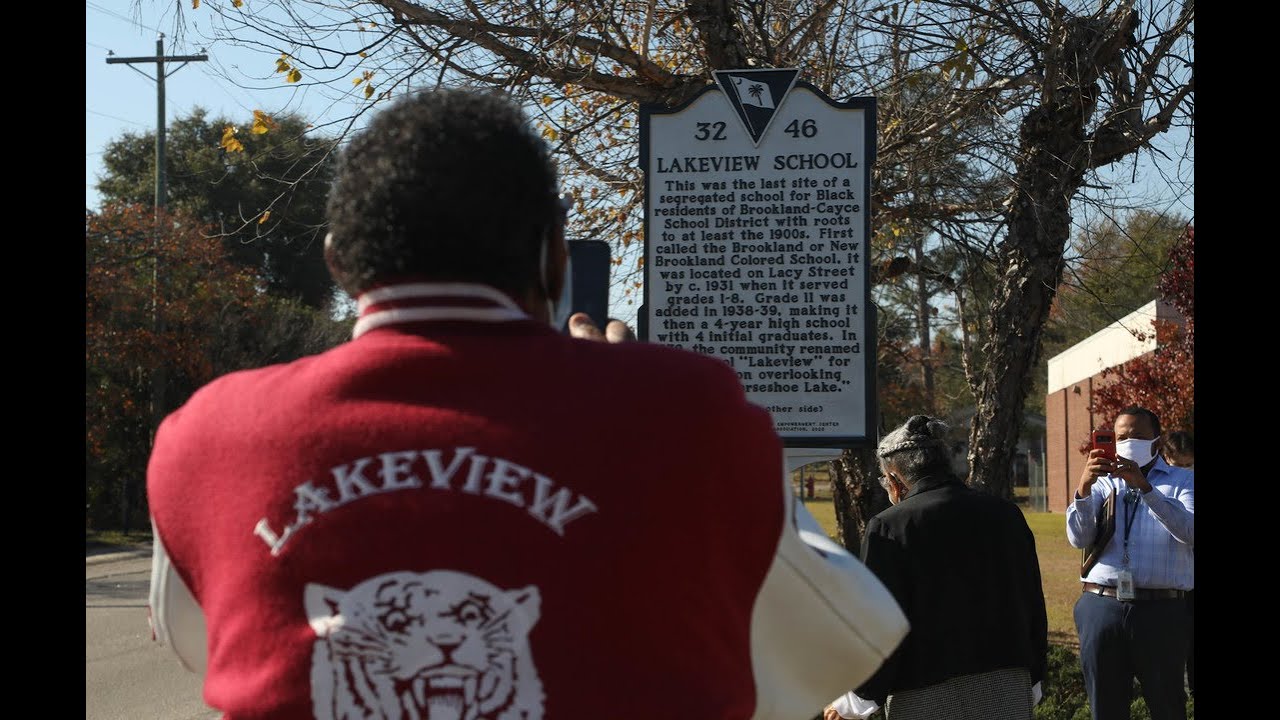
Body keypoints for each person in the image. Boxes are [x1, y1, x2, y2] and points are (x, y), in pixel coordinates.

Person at [145, 88, 908, 719]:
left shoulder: (202, 436)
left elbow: (210, 645)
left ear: (338, 262)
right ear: (553, 256)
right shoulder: (686, 409)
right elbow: (843, 638)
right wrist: (658, 406)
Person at [824, 415, 1048, 720]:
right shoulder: (1006, 515)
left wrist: (855, 702)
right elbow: (1032, 601)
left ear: (894, 479)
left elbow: (882, 623)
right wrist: (1032, 679)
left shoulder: (890, 527)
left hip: (924, 693)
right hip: (1007, 682)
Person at [1066, 407, 1194, 720]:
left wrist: (1146, 489)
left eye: (1137, 436)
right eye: (1121, 437)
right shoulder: (1102, 483)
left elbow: (1190, 532)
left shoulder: (1183, 479)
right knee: (1106, 709)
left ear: (1157, 441)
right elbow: (1079, 538)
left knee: (1167, 706)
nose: (1127, 442)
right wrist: (1083, 488)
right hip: (1102, 606)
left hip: (1161, 612)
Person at [1160, 429, 1194, 701]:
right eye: (1178, 465)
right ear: (1165, 458)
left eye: (1189, 465)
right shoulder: (1160, 487)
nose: (1185, 471)